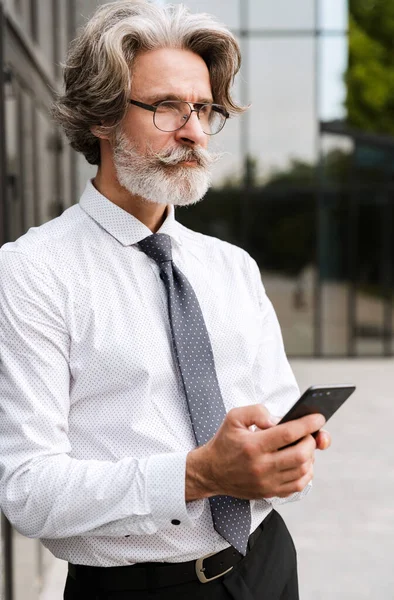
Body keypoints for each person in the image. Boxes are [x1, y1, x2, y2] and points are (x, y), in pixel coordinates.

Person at [0, 2, 331, 599]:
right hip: (136, 589)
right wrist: (198, 474)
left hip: (266, 564)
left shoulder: (231, 267)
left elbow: (277, 413)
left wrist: (288, 456)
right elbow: (27, 489)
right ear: (101, 117)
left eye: (203, 109)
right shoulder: (31, 273)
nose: (194, 132)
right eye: (166, 107)